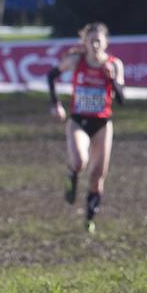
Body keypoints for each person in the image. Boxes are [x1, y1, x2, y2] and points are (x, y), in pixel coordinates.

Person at [47, 22, 125, 232]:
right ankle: (71, 175)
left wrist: (113, 81)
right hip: (78, 120)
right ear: (85, 43)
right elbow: (51, 75)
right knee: (81, 161)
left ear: (106, 43)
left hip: (102, 123)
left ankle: (89, 220)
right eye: (91, 40)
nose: (95, 44)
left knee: (98, 174)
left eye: (99, 40)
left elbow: (122, 101)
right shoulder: (76, 60)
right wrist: (55, 104)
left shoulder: (114, 64)